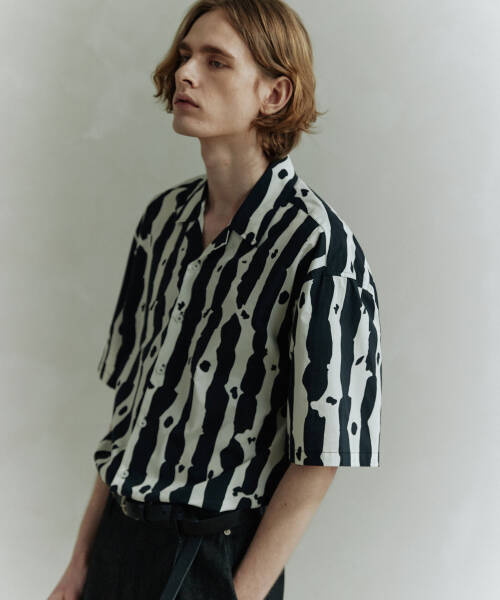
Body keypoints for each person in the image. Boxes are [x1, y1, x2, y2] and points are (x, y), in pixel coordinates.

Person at [48, 1, 383, 599]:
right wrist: (78, 567)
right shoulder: (163, 221)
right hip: (118, 542)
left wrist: (239, 594)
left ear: (274, 94)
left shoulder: (320, 251)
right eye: (185, 56)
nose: (185, 73)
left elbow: (319, 458)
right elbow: (130, 411)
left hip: (213, 558)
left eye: (216, 61)